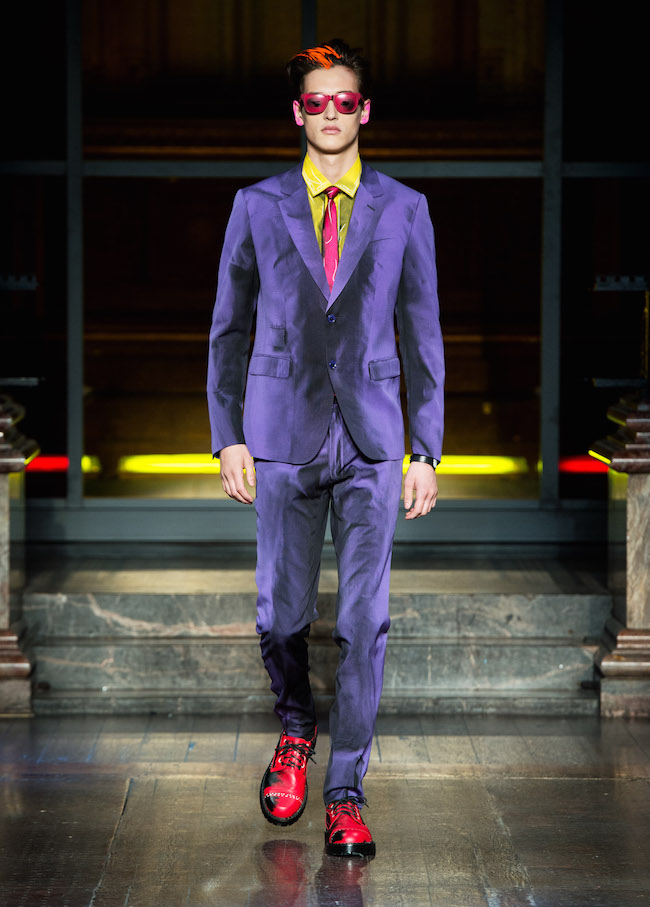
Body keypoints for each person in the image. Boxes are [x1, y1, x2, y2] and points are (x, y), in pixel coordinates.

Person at [207, 39, 444, 858]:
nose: (332, 113)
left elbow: (423, 332)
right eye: (318, 101)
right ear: (298, 112)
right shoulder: (256, 204)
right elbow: (227, 329)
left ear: (364, 110)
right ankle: (296, 726)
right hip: (282, 433)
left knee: (364, 619)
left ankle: (346, 791)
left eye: (346, 100)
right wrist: (228, 434)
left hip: (373, 439)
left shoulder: (405, 208)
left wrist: (427, 448)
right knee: (280, 616)